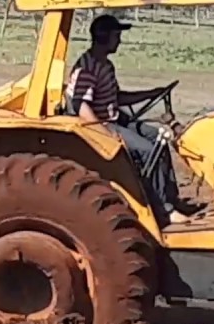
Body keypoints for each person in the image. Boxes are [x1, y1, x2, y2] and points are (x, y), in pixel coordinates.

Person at [64, 13, 193, 225]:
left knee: (160, 140)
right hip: (104, 124)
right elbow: (80, 105)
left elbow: (117, 97)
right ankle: (163, 211)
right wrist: (106, 135)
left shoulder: (106, 65)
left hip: (116, 118)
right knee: (147, 150)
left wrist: (151, 93)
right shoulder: (87, 67)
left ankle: (170, 198)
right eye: (116, 36)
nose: (120, 41)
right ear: (103, 37)